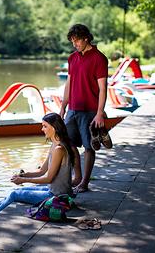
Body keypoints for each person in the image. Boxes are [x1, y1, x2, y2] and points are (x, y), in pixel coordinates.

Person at [0, 113, 75, 225]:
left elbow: (48, 178)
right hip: (52, 191)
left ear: (54, 128)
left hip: (58, 197)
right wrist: (22, 175)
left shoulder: (59, 149)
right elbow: (41, 171)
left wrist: (24, 181)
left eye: (45, 126)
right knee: (15, 192)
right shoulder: (54, 145)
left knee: (14, 195)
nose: (42, 129)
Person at [60, 24, 108, 194]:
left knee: (89, 146)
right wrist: (63, 106)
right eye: (72, 41)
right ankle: (77, 176)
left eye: (76, 40)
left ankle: (85, 183)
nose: (74, 44)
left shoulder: (99, 58)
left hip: (90, 111)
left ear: (86, 38)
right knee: (68, 143)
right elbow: (69, 83)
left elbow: (103, 88)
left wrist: (100, 113)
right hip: (72, 109)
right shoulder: (72, 58)